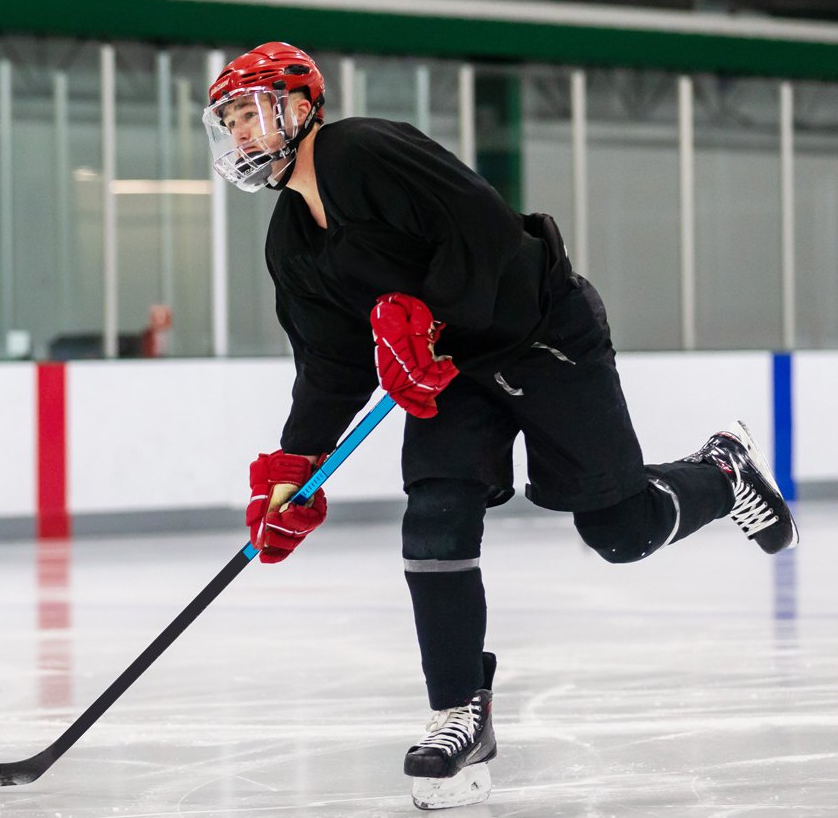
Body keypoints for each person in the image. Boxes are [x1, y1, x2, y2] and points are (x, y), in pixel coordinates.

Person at [203, 42, 799, 810]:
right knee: (436, 513)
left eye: (253, 113)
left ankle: (724, 471)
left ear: (300, 106)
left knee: (621, 531)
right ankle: (460, 712)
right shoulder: (290, 242)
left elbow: (482, 230)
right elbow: (330, 363)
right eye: (231, 120)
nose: (243, 133)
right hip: (452, 373)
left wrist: (430, 317)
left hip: (539, 334)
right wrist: (295, 465)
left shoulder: (361, 151)